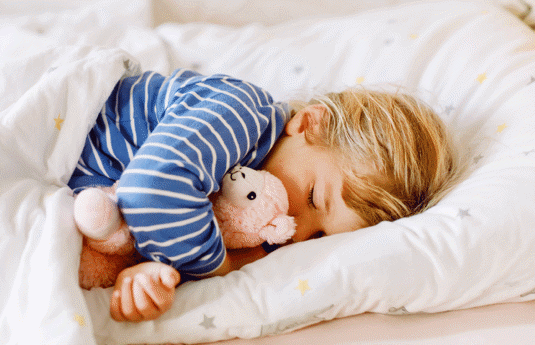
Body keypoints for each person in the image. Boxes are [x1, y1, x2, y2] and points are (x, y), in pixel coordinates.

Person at [68, 68, 459, 322]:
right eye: (313, 197)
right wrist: (223, 268)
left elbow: (148, 221)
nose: (296, 230)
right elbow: (150, 192)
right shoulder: (241, 112)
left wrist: (150, 272)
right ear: (309, 123)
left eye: (318, 237)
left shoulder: (240, 216)